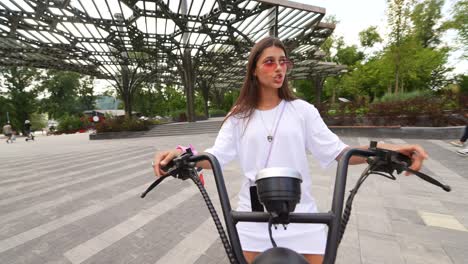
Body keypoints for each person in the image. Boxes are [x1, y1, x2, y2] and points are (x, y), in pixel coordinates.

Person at [152, 37, 428, 264]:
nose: (278, 68)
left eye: (283, 61)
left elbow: (338, 151)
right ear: (254, 70)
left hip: (302, 216)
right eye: (269, 62)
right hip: (252, 218)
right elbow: (216, 155)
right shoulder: (238, 116)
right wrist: (181, 156)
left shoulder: (303, 111)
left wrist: (388, 149)